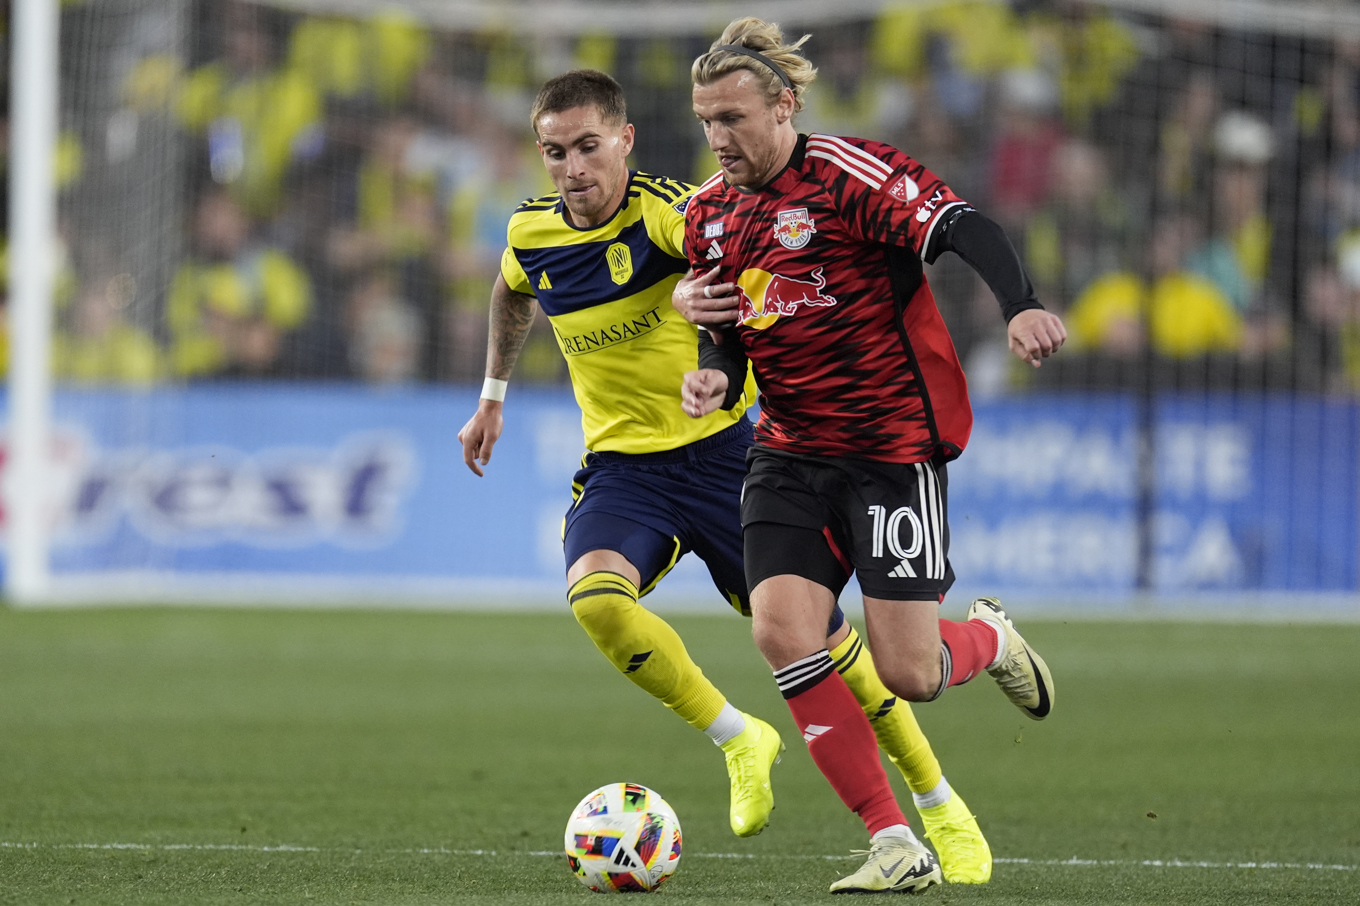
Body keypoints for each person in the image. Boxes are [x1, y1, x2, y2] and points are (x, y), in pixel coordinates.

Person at [457, 70, 993, 882]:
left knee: (843, 654)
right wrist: (492, 395)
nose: (573, 167)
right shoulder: (532, 232)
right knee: (596, 600)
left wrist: (706, 309)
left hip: (726, 458)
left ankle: (939, 802)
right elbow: (510, 292)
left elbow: (749, 260)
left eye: (588, 146)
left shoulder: (675, 215)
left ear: (625, 141)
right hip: (624, 470)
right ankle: (742, 738)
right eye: (555, 152)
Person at [672, 18, 1065, 893]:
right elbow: (730, 333)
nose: (717, 138)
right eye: (706, 121)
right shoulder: (707, 215)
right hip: (787, 451)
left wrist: (1021, 306)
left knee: (909, 674)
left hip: (889, 450)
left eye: (732, 118)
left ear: (785, 105)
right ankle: (892, 840)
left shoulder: (850, 176)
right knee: (781, 631)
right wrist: (713, 375)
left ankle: (990, 638)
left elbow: (963, 225)